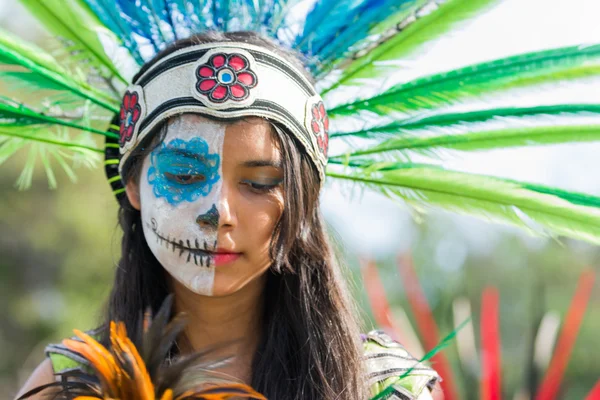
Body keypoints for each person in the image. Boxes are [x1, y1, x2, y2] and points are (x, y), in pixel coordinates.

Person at [16, 32, 439, 400]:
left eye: (259, 182)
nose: (218, 213)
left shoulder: (383, 387)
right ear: (133, 185)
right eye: (183, 174)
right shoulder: (69, 386)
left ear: (303, 201)